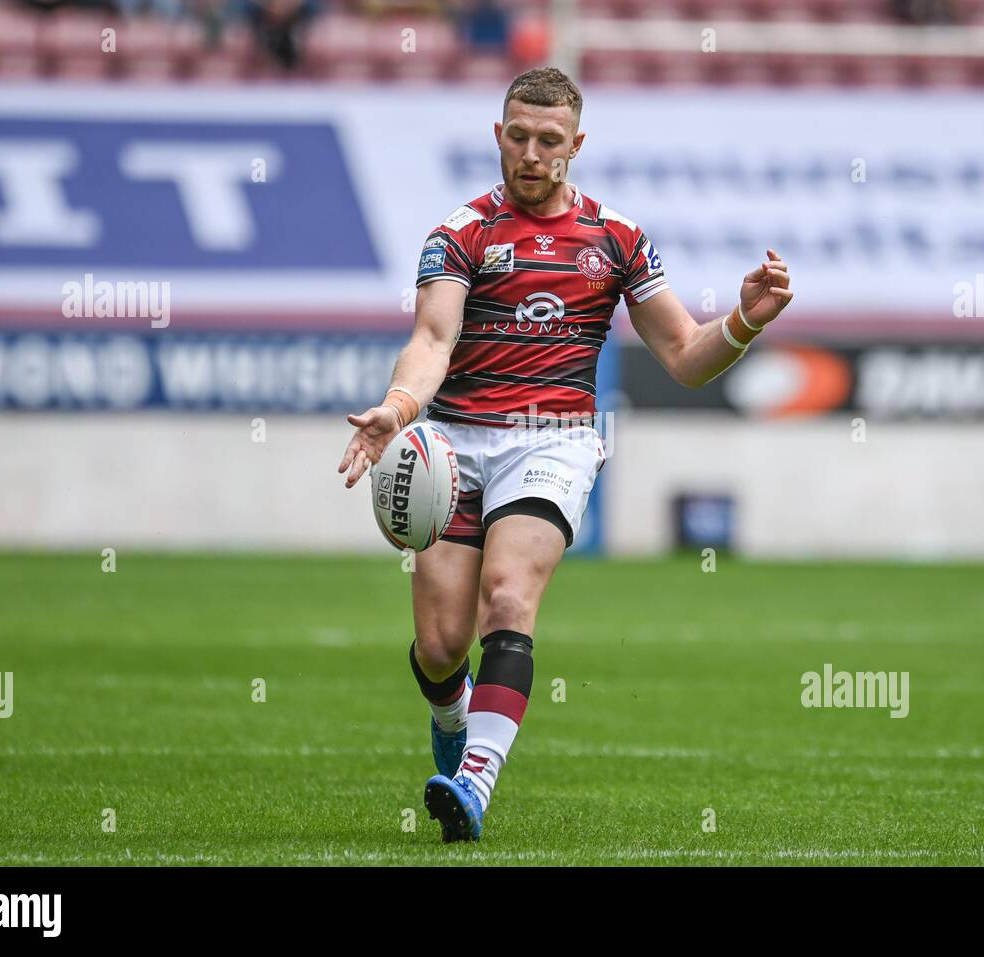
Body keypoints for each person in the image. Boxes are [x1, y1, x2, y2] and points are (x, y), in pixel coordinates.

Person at [338, 67, 793, 842]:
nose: (531, 152)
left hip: (554, 438)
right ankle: (452, 721)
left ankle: (475, 783)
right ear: (498, 135)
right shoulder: (461, 233)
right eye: (517, 136)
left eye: (549, 140)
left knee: (509, 601)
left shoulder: (617, 240)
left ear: (576, 145)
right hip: (452, 438)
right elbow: (433, 338)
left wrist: (744, 323)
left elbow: (685, 355)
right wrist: (400, 407)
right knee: (443, 647)